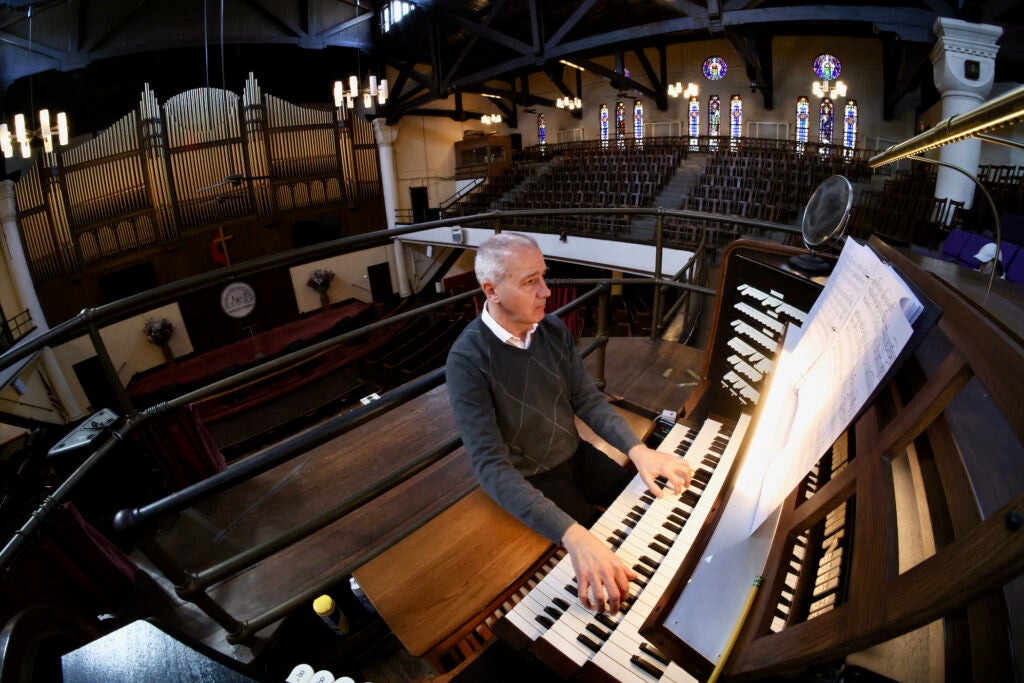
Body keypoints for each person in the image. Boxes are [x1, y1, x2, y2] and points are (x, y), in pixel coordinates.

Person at [446, 232, 692, 614]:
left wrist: (638, 450)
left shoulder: (552, 329)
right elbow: (491, 467)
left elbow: (587, 400)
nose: (546, 291)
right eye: (531, 282)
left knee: (653, 509)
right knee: (606, 561)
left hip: (576, 453)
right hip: (531, 480)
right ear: (492, 291)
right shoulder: (467, 360)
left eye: (544, 276)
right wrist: (574, 537)